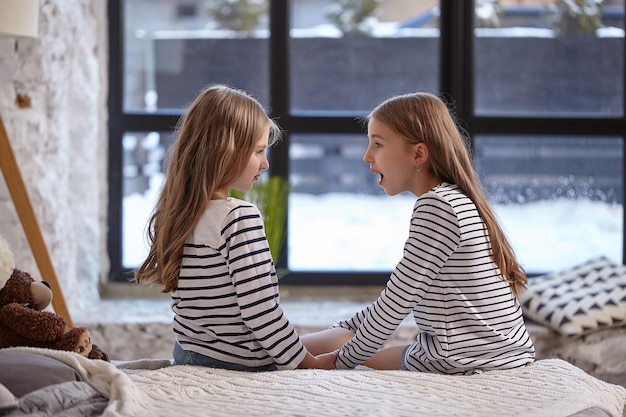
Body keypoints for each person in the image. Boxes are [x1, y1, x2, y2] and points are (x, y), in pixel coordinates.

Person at [302, 92, 536, 374]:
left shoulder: (437, 206)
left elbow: (396, 304)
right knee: (343, 335)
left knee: (340, 344)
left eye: (377, 144)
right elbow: (396, 298)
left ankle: (266, 355)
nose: (366, 156)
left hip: (459, 361)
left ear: (418, 154)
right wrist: (347, 327)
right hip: (503, 355)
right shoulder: (458, 199)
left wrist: (338, 361)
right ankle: (275, 350)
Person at [134, 84, 335, 371]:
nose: (265, 163)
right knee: (343, 338)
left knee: (329, 337)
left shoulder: (178, 213)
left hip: (189, 354)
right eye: (258, 151)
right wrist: (306, 364)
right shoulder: (239, 217)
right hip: (239, 360)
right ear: (224, 152)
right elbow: (261, 311)